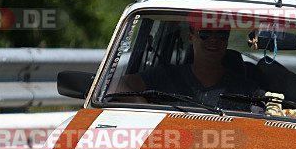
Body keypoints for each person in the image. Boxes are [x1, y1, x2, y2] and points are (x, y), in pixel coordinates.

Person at [110, 25, 262, 111]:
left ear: (227, 41)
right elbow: (112, 86)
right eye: (205, 34)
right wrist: (139, 104)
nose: (214, 40)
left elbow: (270, 109)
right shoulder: (165, 75)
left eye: (222, 35)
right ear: (190, 37)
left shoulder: (246, 88)